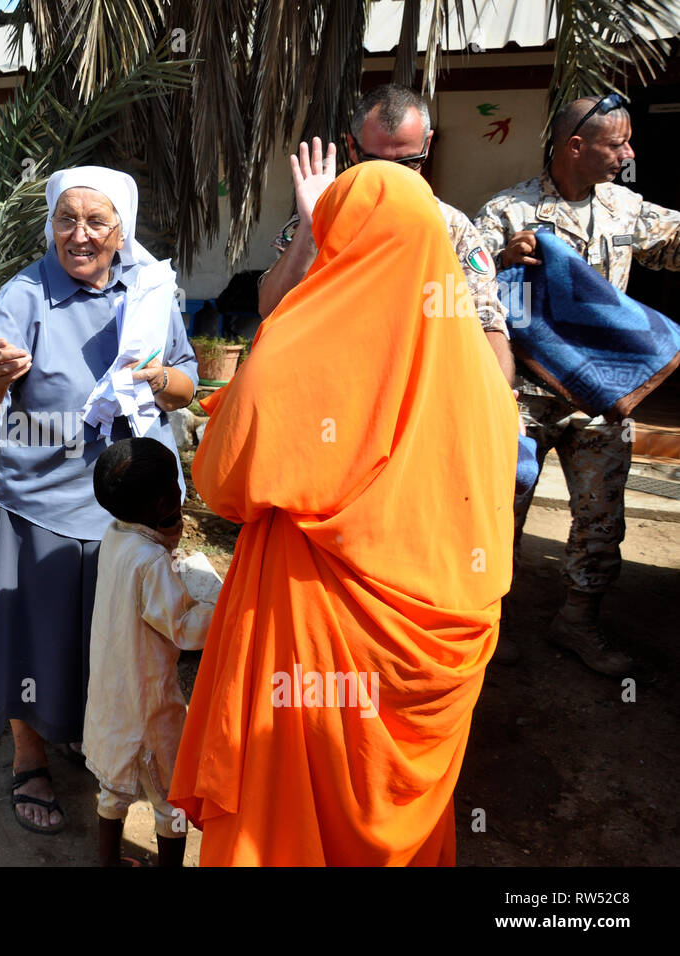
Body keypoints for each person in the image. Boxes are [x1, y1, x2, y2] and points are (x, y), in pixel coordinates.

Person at [169, 161, 517, 866]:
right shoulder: (481, 374)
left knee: (287, 822)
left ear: (331, 232)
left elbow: (225, 481)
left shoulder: (297, 344)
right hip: (435, 640)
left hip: (309, 627)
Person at [0, 166, 199, 835]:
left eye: (97, 221)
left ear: (123, 230)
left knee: (109, 643)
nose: (79, 235)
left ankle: (93, 737)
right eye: (67, 219)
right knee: (35, 639)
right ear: (50, 223)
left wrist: (163, 379)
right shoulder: (24, 296)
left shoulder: (149, 290)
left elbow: (188, 378)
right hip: (39, 505)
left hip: (127, 511)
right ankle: (30, 757)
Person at [474, 94, 680, 674]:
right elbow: (464, 284)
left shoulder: (625, 208)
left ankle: (577, 623)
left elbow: (674, 245)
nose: (628, 154)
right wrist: (498, 257)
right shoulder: (507, 212)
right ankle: (491, 628)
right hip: (523, 398)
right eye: (618, 144)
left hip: (598, 401)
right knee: (499, 514)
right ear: (575, 147)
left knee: (601, 520)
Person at [259, 83, 514, 383]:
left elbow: (487, 323)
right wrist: (312, 227)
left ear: (427, 146)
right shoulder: (324, 218)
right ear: (353, 149)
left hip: (419, 397)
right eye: (378, 164)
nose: (393, 177)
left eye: (407, 163)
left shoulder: (452, 229)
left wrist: (497, 399)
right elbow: (270, 309)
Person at [84, 437, 212, 867]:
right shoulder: (152, 562)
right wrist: (228, 611)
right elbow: (183, 627)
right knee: (169, 796)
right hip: (149, 704)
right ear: (163, 504)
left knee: (113, 790)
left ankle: (108, 861)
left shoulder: (116, 535)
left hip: (110, 695)